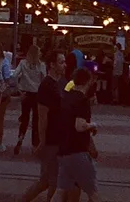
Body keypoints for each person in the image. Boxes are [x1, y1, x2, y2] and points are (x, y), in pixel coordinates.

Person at [20, 50, 67, 202]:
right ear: (52, 65)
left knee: (48, 181)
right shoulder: (46, 86)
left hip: (59, 137)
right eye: (61, 62)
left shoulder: (60, 83)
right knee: (51, 181)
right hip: (51, 138)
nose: (64, 65)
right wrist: (42, 140)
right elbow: (42, 116)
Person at [56, 67, 99, 202]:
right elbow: (80, 126)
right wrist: (93, 125)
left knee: (61, 190)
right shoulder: (82, 101)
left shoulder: (67, 97)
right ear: (88, 81)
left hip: (64, 149)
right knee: (92, 191)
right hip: (77, 151)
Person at [13, 43, 45, 154]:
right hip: (37, 94)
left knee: (25, 118)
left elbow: (14, 75)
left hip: (25, 94)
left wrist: (19, 90)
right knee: (36, 120)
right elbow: (44, 80)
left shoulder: (23, 63)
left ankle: (20, 138)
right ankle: (34, 144)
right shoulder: (41, 65)